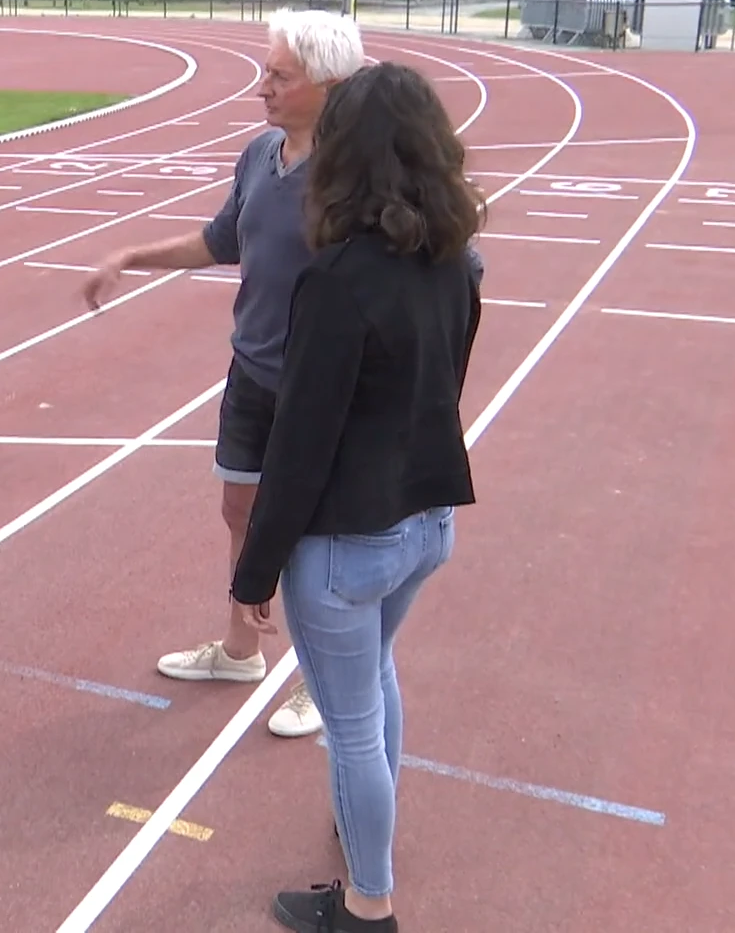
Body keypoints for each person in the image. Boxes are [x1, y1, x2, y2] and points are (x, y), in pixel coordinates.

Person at [227, 61, 486, 933]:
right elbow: (447, 384)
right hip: (427, 521)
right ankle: (361, 828)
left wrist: (252, 572)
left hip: (347, 542)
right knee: (374, 681)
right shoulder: (458, 258)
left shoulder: (336, 282)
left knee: (350, 725)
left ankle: (367, 905)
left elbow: (299, 446)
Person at [81, 7, 366, 739]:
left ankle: (317, 675)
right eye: (265, 71)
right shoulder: (258, 155)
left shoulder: (358, 179)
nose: (261, 86)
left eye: (279, 75)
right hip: (252, 375)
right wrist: (129, 256)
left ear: (329, 84)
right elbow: (220, 241)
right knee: (239, 511)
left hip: (324, 393)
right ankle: (243, 650)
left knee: (316, 538)